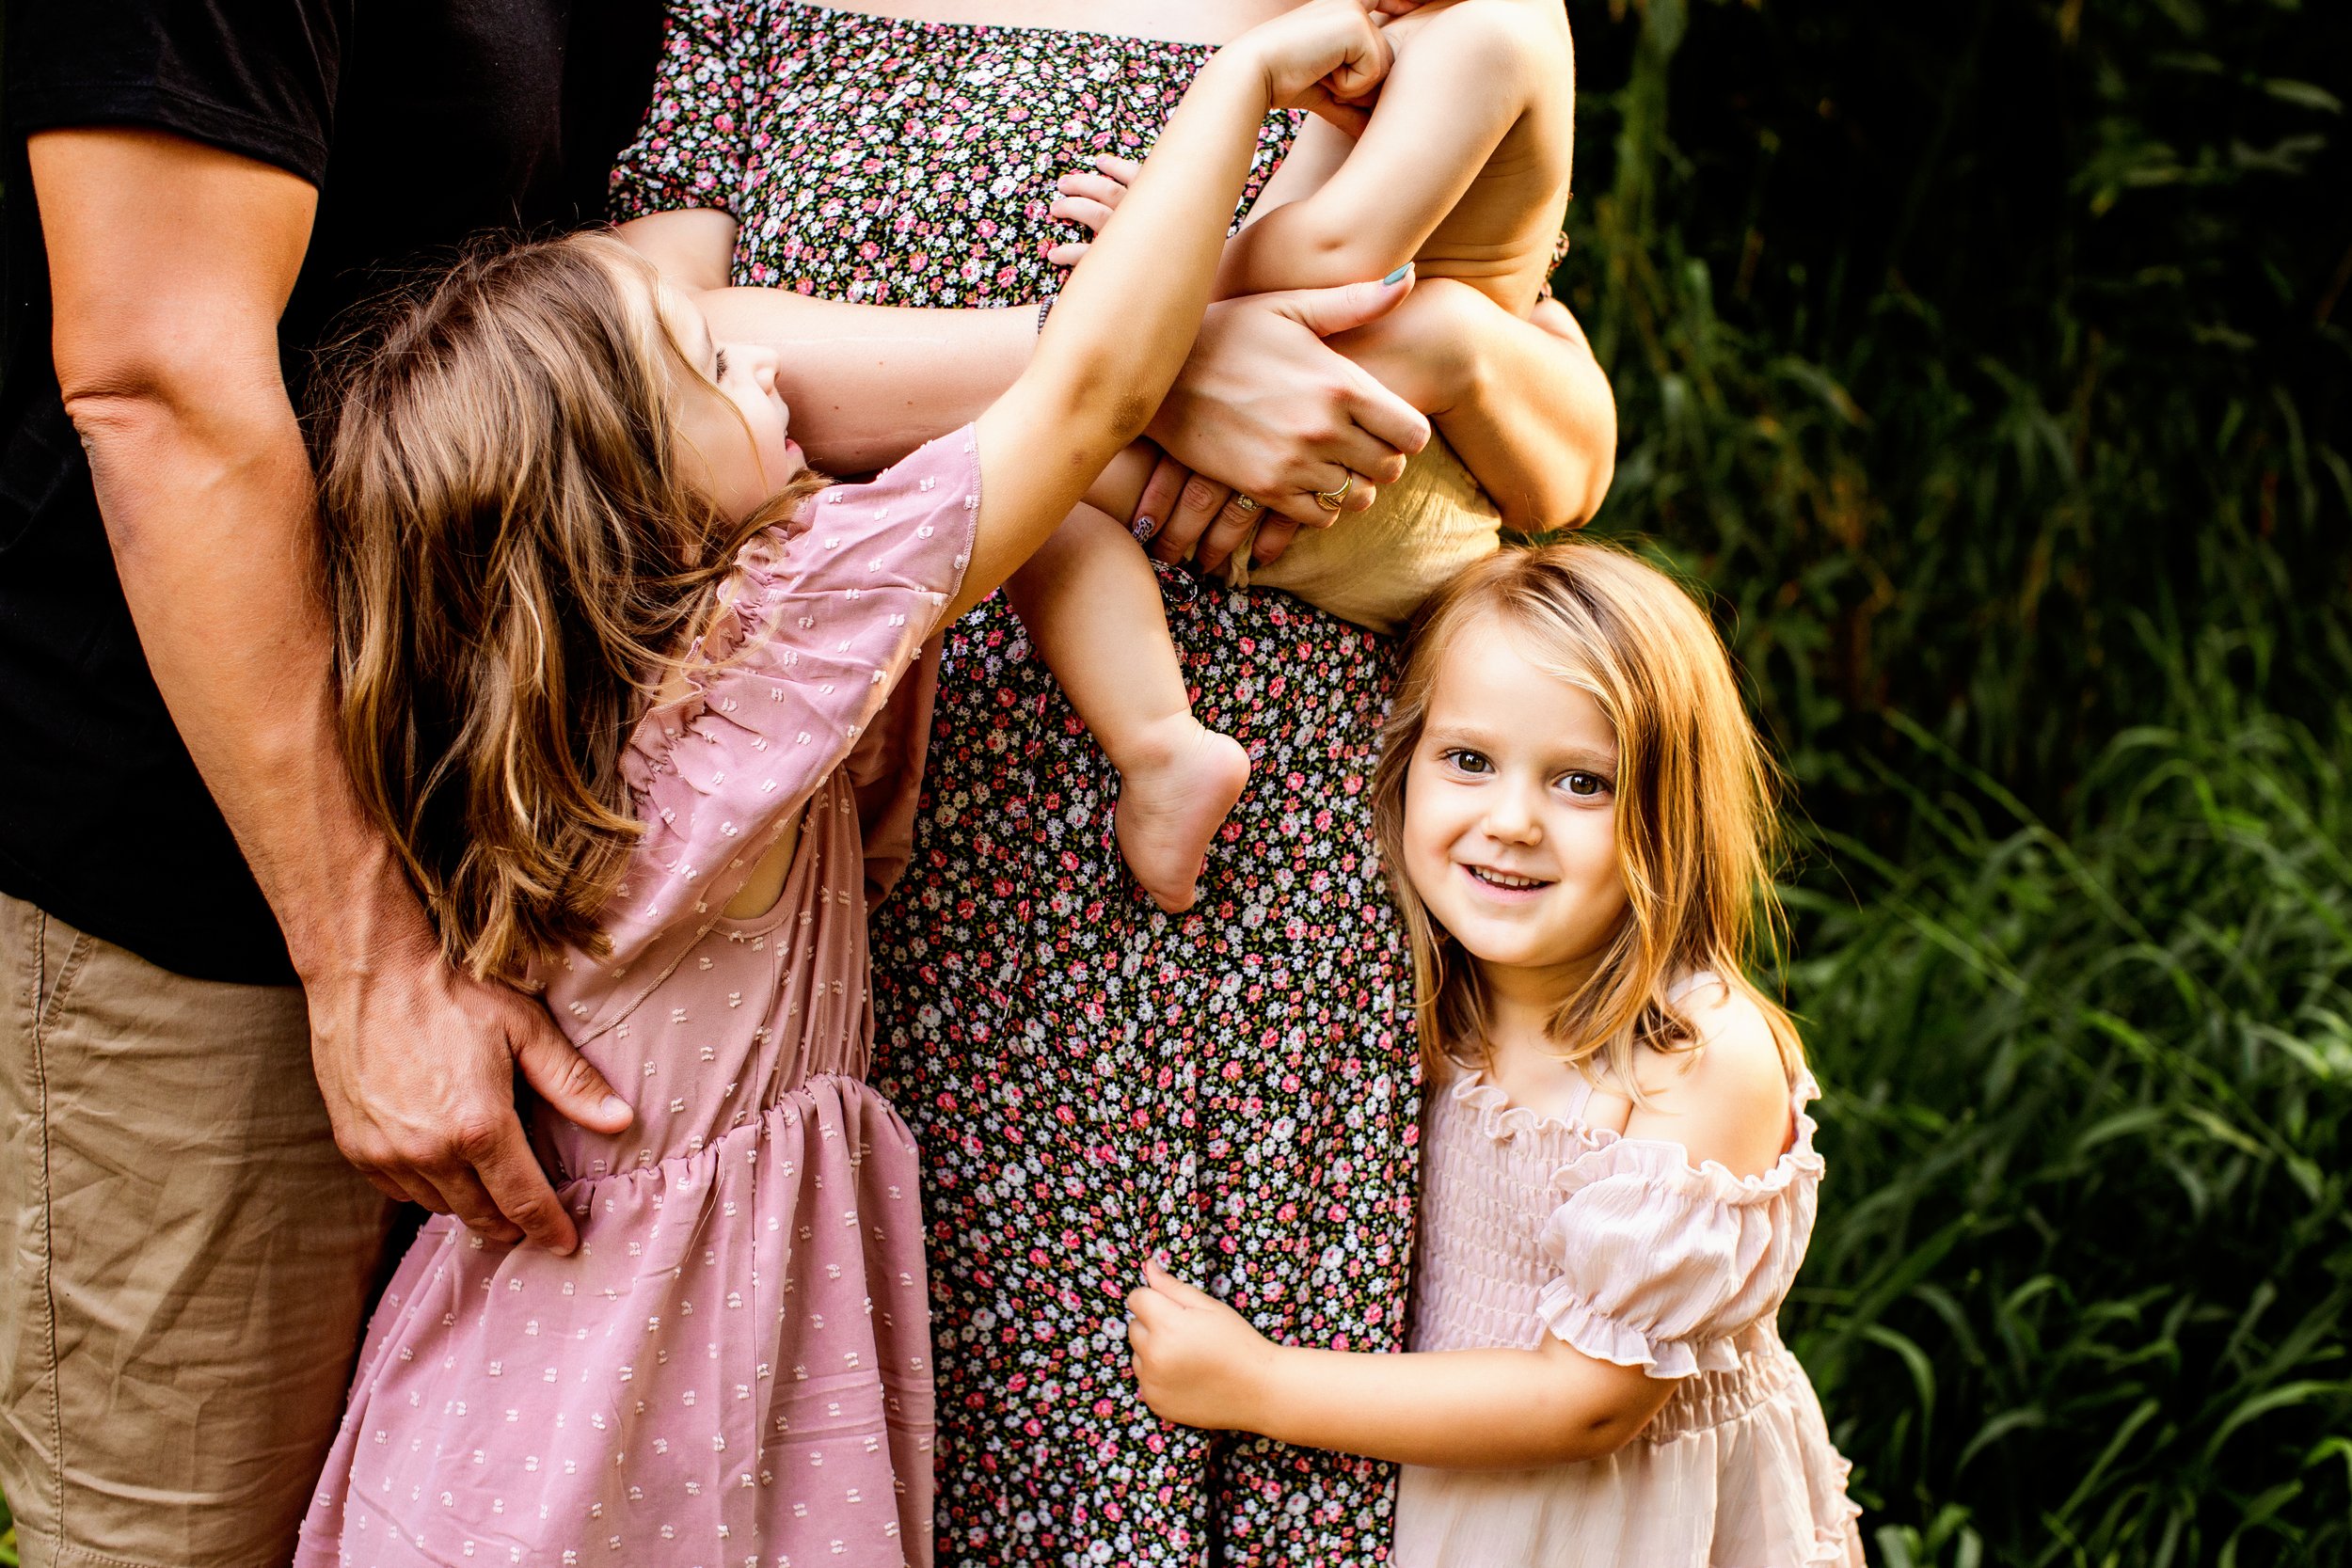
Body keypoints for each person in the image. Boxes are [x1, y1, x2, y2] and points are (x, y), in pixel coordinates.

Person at [292, 6, 1401, 1561]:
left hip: (509, 1386)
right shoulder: (757, 650)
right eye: (706, 364)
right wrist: (1233, 93)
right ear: (635, 503)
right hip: (670, 1382)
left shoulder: (544, 729)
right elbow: (1084, 394)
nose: (760, 360)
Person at [608, 0, 1618, 1559]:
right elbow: (616, 351)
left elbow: (1540, 433)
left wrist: (1462, 350)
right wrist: (1125, 370)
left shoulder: (1396, 26)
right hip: (824, 874)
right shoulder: (737, 16)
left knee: (1184, 1415)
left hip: (1241, 920)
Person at [0, 5, 662, 1563]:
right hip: (211, 884)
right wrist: (366, 962)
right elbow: (157, 380)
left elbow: (601, 269)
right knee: (195, 1536)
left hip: (498, 849)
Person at [1123, 542, 1866, 1567]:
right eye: (1468, 759)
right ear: (1405, 763)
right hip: (1464, 1495)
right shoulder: (1412, 991)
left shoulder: (1693, 1054)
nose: (1509, 822)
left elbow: (1584, 1402)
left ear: (1669, 808)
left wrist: (1258, 1384)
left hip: (1622, 1524)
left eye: (1580, 781)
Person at [1009, 0, 1579, 910]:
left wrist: (1155, 253)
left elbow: (1336, 250)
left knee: (1012, 464)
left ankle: (1160, 746)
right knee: (1033, 486)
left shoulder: (1494, 31)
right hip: (1331, 431)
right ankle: (1160, 742)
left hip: (1379, 467)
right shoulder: (1381, 33)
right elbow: (1287, 221)